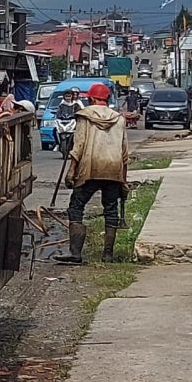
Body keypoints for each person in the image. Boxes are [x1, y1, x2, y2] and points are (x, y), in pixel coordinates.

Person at [54, 82, 129, 265]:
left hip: (90, 168)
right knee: (111, 209)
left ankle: (75, 254)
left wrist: (71, 171)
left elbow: (78, 146)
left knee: (76, 206)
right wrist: (124, 180)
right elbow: (124, 152)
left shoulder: (84, 116)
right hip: (113, 169)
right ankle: (108, 255)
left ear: (92, 98)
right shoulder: (119, 119)